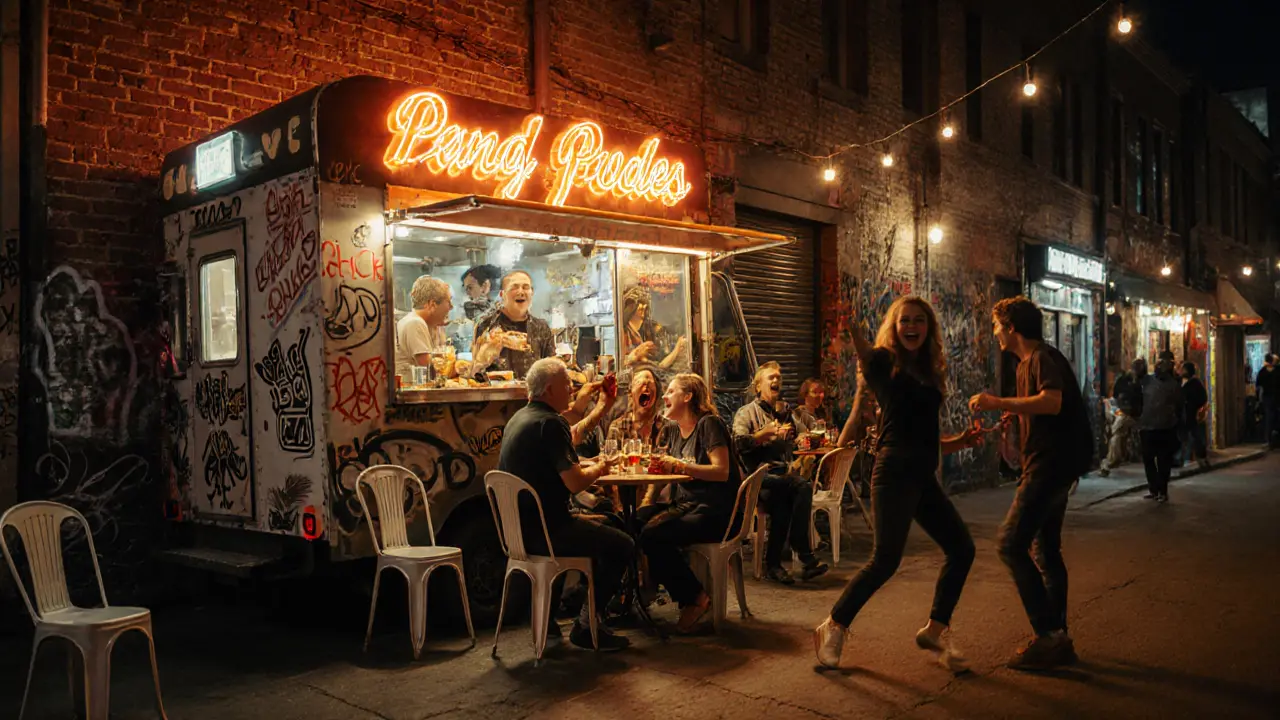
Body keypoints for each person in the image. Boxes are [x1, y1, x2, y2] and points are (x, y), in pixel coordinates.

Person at [814, 297, 982, 671]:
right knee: (886, 560)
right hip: (892, 474)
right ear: (895, 326)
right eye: (904, 320)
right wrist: (854, 330)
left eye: (919, 320)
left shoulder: (929, 371)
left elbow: (923, 434)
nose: (911, 326)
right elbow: (866, 355)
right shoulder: (884, 365)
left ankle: (936, 629)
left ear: (928, 327)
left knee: (962, 548)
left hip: (922, 476)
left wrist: (961, 442)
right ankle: (834, 626)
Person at [969, 296, 1092, 671]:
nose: (994, 334)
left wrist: (997, 401)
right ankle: (1059, 641)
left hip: (1051, 466)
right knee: (1046, 552)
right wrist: (1014, 412)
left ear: (1010, 327)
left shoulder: (1040, 358)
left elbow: (1052, 402)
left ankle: (1049, 634)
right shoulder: (1028, 362)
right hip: (1051, 464)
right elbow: (1041, 406)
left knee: (1010, 544)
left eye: (996, 327)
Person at [496, 358, 632, 651]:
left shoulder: (520, 418)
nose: (573, 389)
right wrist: (602, 468)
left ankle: (552, 617)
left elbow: (554, 464)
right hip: (548, 532)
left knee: (606, 524)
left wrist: (588, 463)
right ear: (548, 390)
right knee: (622, 544)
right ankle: (587, 624)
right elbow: (575, 483)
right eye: (567, 384)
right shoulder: (550, 423)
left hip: (519, 533)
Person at [641, 374, 741, 633]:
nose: (664, 396)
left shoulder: (709, 424)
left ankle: (695, 598)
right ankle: (643, 590)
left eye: (671, 391)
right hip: (687, 506)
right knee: (633, 522)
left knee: (653, 535)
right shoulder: (673, 429)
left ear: (688, 397)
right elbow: (665, 472)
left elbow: (721, 471)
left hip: (716, 510)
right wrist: (646, 501)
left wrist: (681, 465)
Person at [732, 362, 829, 585]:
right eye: (771, 378)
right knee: (801, 487)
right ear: (758, 387)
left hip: (782, 477)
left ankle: (774, 565)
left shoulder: (785, 414)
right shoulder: (746, 413)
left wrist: (803, 439)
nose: (776, 381)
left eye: (778, 378)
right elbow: (737, 443)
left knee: (785, 499)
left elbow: (803, 436)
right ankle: (802, 552)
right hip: (757, 478)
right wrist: (761, 436)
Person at [606, 368, 678, 506]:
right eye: (640, 382)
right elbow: (610, 463)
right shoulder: (618, 426)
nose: (646, 385)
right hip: (624, 494)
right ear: (631, 393)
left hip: (660, 498)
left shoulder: (668, 427)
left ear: (656, 395)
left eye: (650, 383)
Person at [473, 270, 556, 380]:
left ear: (532, 292)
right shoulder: (487, 325)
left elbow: (551, 366)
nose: (520, 292)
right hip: (497, 393)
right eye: (514, 287)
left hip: (534, 394)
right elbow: (475, 371)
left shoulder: (541, 327)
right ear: (502, 294)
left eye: (526, 287)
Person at [1139, 351, 1182, 502]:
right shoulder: (1148, 381)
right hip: (1149, 426)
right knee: (1150, 459)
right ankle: (1155, 489)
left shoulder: (1173, 385)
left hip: (1164, 427)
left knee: (1163, 461)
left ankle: (1161, 490)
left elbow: (1178, 405)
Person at [394, 276, 452, 383]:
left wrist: (437, 329)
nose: (451, 307)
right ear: (432, 304)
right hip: (411, 393)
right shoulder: (415, 323)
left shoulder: (417, 322)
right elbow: (431, 369)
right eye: (448, 302)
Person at [621, 285, 688, 370]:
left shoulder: (647, 330)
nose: (644, 306)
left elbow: (659, 365)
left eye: (645, 303)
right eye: (640, 303)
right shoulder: (625, 334)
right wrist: (637, 353)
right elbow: (626, 363)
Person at [1099, 359, 1146, 476]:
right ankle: (1111, 462)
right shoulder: (1129, 381)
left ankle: (1111, 462)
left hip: (1131, 413)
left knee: (1118, 435)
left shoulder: (1135, 381)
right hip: (1128, 413)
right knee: (1119, 434)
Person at [1179, 361, 1209, 469]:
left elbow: (1202, 398)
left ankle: (1193, 458)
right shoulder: (1184, 383)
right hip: (1186, 416)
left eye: (1183, 369)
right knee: (1190, 438)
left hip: (1192, 416)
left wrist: (1196, 409)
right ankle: (1190, 458)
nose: (1180, 371)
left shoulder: (1194, 384)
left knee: (1194, 437)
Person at [1258, 353, 1278, 449]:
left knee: (1267, 418)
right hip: (1276, 398)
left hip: (1266, 397)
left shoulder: (1262, 372)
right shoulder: (1277, 371)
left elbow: (1259, 386)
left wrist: (1259, 398)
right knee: (1274, 418)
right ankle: (1274, 439)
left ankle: (1268, 439)